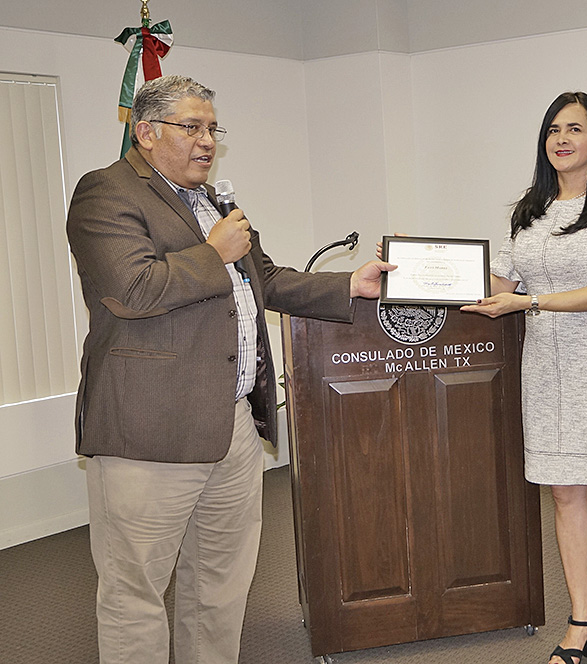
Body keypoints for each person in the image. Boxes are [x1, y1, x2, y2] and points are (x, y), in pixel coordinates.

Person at [65, 75, 394, 664]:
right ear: (145, 132)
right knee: (135, 592)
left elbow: (266, 279)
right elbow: (132, 289)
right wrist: (213, 252)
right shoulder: (106, 193)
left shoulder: (216, 203)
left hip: (234, 426)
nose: (207, 141)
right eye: (191, 127)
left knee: (219, 588)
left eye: (212, 129)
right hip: (148, 432)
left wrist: (349, 284)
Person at [461, 92, 587, 664]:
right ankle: (581, 614)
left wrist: (528, 302)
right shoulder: (530, 208)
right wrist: (422, 270)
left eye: (574, 128)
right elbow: (499, 284)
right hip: (545, 366)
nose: (561, 139)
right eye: (552, 130)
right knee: (564, 490)